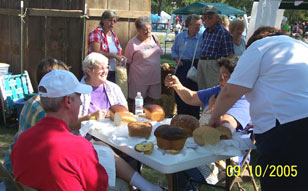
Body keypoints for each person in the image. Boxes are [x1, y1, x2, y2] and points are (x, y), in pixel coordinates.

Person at [209, 26, 308, 191]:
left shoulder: (259, 47)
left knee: (280, 181)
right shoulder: (302, 46)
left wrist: (214, 118)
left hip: (284, 130)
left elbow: (229, 92)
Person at [78, 52, 164, 191]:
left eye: (107, 67)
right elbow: (74, 124)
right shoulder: (79, 91)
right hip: (91, 136)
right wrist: (90, 116)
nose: (106, 71)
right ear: (89, 70)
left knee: (134, 142)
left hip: (115, 132)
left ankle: (135, 184)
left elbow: (124, 112)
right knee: (108, 150)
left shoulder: (113, 88)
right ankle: (145, 186)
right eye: (101, 68)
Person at [11, 69, 109, 190]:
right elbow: (100, 187)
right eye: (80, 97)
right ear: (68, 101)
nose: (81, 103)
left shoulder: (21, 142)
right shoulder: (79, 148)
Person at [165, 55, 250, 190]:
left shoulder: (243, 99)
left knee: (177, 165)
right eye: (219, 75)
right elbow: (192, 97)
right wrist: (177, 85)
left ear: (237, 78)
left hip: (226, 160)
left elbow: (225, 129)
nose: (219, 79)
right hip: (205, 149)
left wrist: (213, 109)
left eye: (224, 76)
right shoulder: (219, 90)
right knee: (171, 158)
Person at [4, 58, 70, 173]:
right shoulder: (46, 109)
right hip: (21, 168)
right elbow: (55, 147)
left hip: (14, 159)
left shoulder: (34, 99)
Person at [124, 16, 163, 112]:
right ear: (138, 30)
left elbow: (159, 52)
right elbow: (127, 62)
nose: (148, 32)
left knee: (151, 104)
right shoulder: (132, 43)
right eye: (145, 30)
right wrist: (127, 79)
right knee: (138, 105)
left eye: (149, 29)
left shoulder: (154, 38)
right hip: (139, 80)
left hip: (154, 78)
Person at [171, 14, 202, 119]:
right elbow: (174, 49)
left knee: (195, 93)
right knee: (181, 91)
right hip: (183, 66)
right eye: (196, 25)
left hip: (195, 67)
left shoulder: (201, 38)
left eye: (200, 25)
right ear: (189, 25)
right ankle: (181, 117)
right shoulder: (180, 37)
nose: (198, 27)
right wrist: (176, 59)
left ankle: (194, 118)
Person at [198, 5, 234, 90]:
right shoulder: (206, 32)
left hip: (214, 65)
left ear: (217, 18)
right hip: (202, 63)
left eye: (210, 17)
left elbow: (228, 57)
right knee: (202, 93)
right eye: (204, 18)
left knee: (214, 92)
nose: (206, 20)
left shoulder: (223, 33)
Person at [88, 10, 126, 83]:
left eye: (114, 21)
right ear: (103, 20)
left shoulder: (113, 34)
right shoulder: (96, 33)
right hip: (99, 70)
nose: (112, 23)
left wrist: (120, 57)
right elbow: (96, 52)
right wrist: (114, 56)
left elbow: (117, 51)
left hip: (113, 70)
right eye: (109, 20)